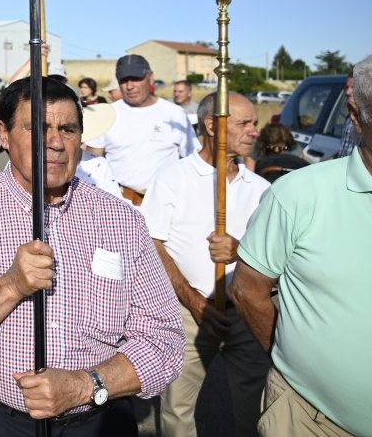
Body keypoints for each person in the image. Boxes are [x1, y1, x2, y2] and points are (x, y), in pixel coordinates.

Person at [0, 77, 185, 436]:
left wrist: (83, 385)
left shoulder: (122, 221)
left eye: (68, 129)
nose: (56, 143)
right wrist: (11, 286)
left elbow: (165, 341)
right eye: (38, 128)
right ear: (4, 135)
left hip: (97, 421)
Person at [230, 56, 372, 437]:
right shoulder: (297, 195)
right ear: (356, 115)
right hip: (312, 418)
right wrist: (293, 360)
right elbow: (248, 289)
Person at [141, 93, 271, 437]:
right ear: (213, 125)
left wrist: (240, 251)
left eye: (255, 123)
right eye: (245, 123)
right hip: (187, 312)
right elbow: (152, 244)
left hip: (246, 313)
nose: (254, 132)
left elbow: (275, 257)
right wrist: (194, 301)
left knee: (258, 408)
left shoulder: (261, 189)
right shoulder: (173, 177)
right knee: (177, 411)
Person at [84, 54, 196, 205]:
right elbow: (91, 166)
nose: (129, 86)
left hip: (166, 204)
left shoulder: (174, 114)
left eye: (136, 78)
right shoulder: (106, 115)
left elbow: (193, 160)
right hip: (120, 205)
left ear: (150, 78)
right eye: (123, 81)